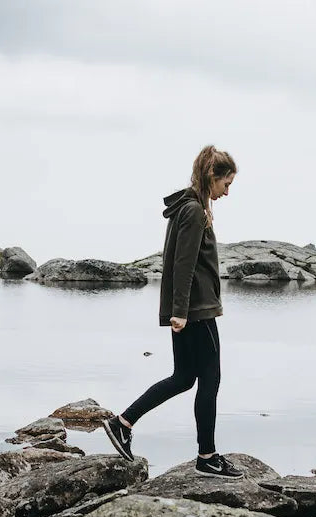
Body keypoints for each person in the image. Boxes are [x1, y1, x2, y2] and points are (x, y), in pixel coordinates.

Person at [103, 145, 244, 479]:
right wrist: (180, 311)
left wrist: (176, 310)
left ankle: (121, 423)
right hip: (197, 310)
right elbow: (184, 263)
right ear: (213, 176)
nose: (227, 192)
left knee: (183, 377)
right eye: (227, 184)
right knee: (210, 379)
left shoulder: (188, 207)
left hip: (188, 308)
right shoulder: (193, 211)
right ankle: (207, 457)